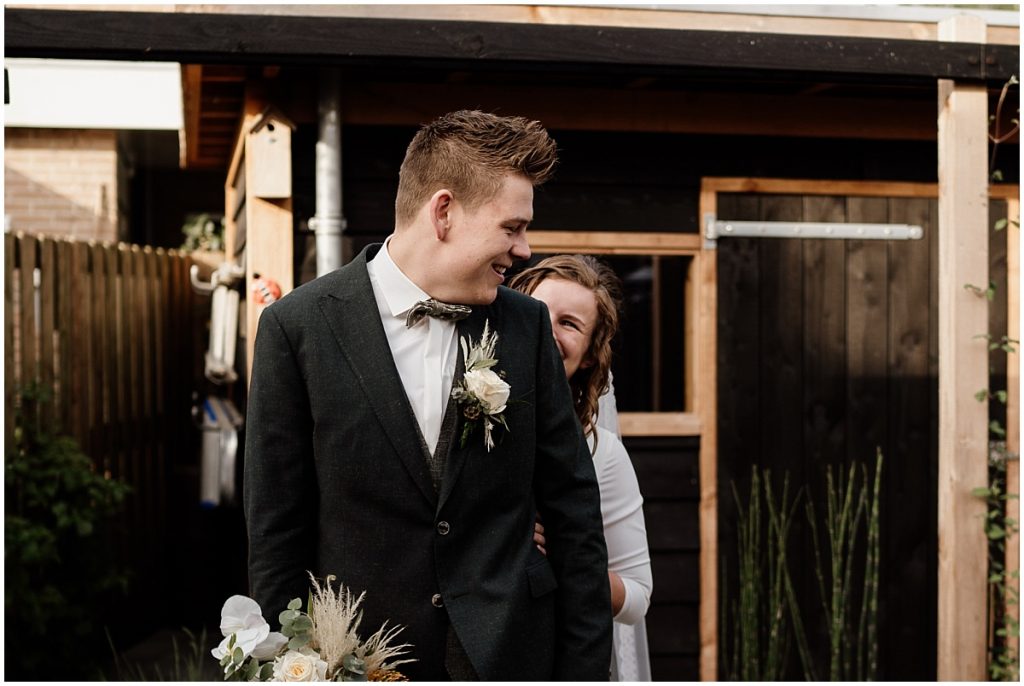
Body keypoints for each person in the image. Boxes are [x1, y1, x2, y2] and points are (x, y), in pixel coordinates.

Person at [243, 110, 612, 681]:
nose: (524, 249)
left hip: (511, 657)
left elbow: (575, 517)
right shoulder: (297, 329)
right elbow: (276, 530)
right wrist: (285, 665)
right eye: (512, 227)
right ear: (443, 212)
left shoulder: (527, 328)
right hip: (360, 662)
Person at [510, 254, 653, 681]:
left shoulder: (601, 453)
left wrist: (571, 555)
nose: (546, 330)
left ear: (589, 356)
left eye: (569, 324)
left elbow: (637, 597)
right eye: (538, 312)